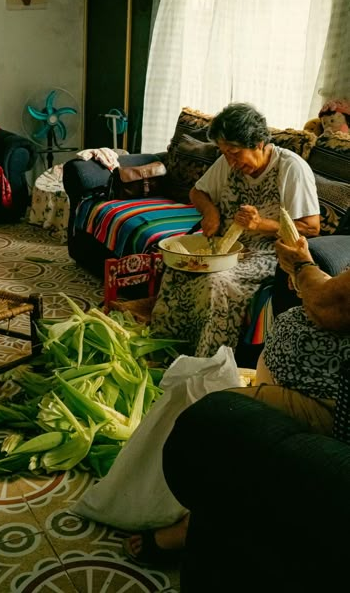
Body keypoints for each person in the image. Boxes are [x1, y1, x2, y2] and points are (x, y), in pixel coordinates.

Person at [124, 234, 350, 566]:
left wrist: (301, 267)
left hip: (335, 404)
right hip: (307, 380)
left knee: (211, 416)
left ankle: (193, 528)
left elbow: (336, 305)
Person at [151, 102, 320, 359]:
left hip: (266, 254)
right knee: (178, 269)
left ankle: (205, 363)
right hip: (225, 247)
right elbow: (198, 192)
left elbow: (311, 227)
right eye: (224, 152)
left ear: (260, 143)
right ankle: (166, 354)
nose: (230, 161)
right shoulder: (227, 163)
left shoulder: (290, 168)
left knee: (215, 281)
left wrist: (261, 224)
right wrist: (211, 212)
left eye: (235, 153)